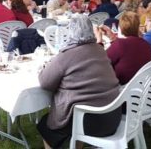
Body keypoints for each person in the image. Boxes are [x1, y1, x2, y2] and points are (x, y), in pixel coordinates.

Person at [37, 15, 121, 149]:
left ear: (71, 33)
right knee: (79, 109)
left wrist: (43, 69)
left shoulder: (66, 55)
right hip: (112, 116)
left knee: (45, 125)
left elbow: (45, 83)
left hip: (89, 121)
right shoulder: (100, 50)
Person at [104, 11, 151, 85]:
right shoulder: (146, 44)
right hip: (143, 88)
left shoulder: (120, 44)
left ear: (120, 28)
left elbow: (103, 61)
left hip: (123, 89)